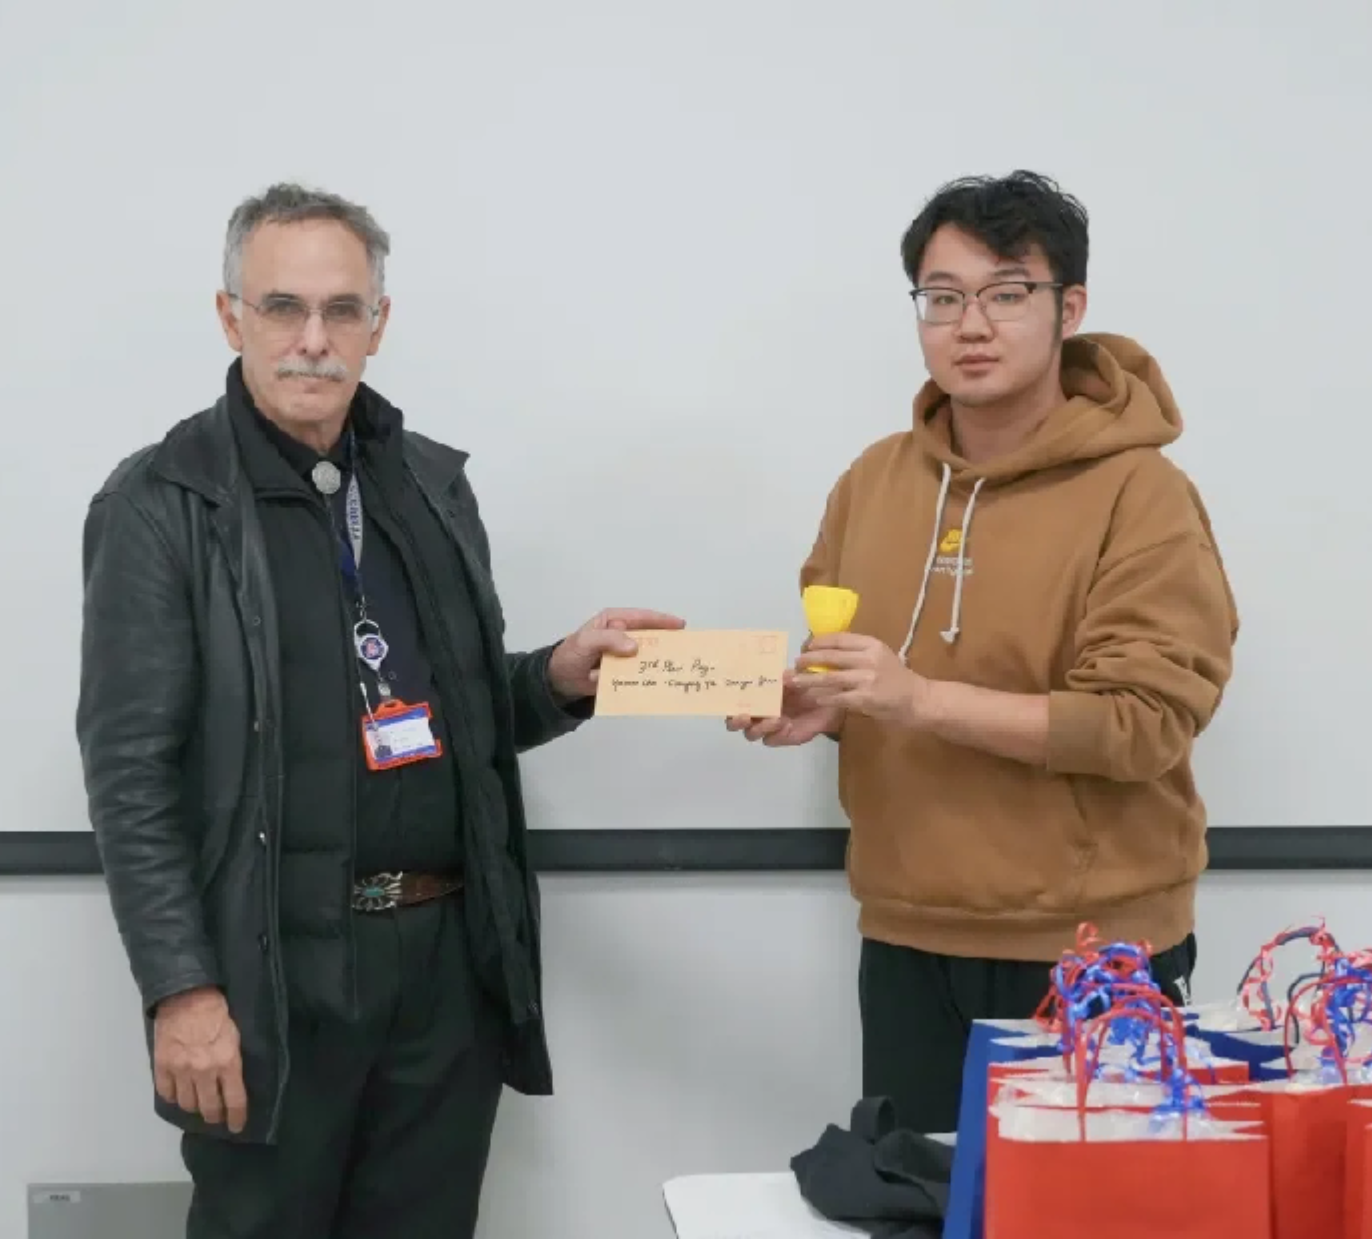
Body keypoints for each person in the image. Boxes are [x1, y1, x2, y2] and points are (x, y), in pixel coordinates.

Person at [74, 181, 685, 1238]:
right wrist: (181, 989)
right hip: (272, 981)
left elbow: (448, 710)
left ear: (378, 323)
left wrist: (556, 677)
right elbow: (130, 774)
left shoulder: (428, 486)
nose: (313, 339)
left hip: (442, 974)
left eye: (341, 310)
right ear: (230, 317)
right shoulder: (163, 504)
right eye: (283, 307)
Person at [727, 170, 1238, 1134]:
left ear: (1068, 309)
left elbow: (1141, 725)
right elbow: (870, 679)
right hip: (905, 937)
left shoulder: (1142, 494)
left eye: (1006, 294)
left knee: (1087, 1206)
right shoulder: (872, 481)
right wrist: (830, 704)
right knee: (919, 1199)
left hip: (1093, 950)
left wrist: (917, 699)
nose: (970, 325)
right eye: (941, 297)